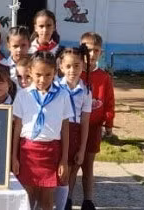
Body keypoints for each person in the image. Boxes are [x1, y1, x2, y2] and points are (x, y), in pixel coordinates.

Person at [11, 51, 73, 210]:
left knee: (47, 200)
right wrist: (14, 157)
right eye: (38, 74)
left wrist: (64, 160)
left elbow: (65, 128)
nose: (43, 79)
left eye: (48, 75)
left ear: (55, 72)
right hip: (27, 152)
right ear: (30, 71)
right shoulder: (23, 95)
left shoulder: (63, 96)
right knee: (27, 198)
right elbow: (17, 128)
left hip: (51, 152)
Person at [78, 32, 114, 210]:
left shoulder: (104, 77)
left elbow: (109, 102)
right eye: (88, 49)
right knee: (71, 167)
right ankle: (66, 199)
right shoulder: (72, 72)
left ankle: (88, 200)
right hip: (74, 127)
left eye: (96, 50)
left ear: (101, 53)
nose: (91, 54)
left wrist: (109, 123)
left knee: (88, 166)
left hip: (93, 127)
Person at [56, 46, 93, 210]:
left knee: (71, 170)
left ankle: (67, 200)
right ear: (61, 66)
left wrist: (82, 149)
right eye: (68, 66)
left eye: (77, 65)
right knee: (58, 169)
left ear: (83, 66)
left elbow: (85, 121)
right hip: (57, 131)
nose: (72, 70)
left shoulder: (86, 90)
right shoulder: (55, 87)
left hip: (75, 132)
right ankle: (55, 201)